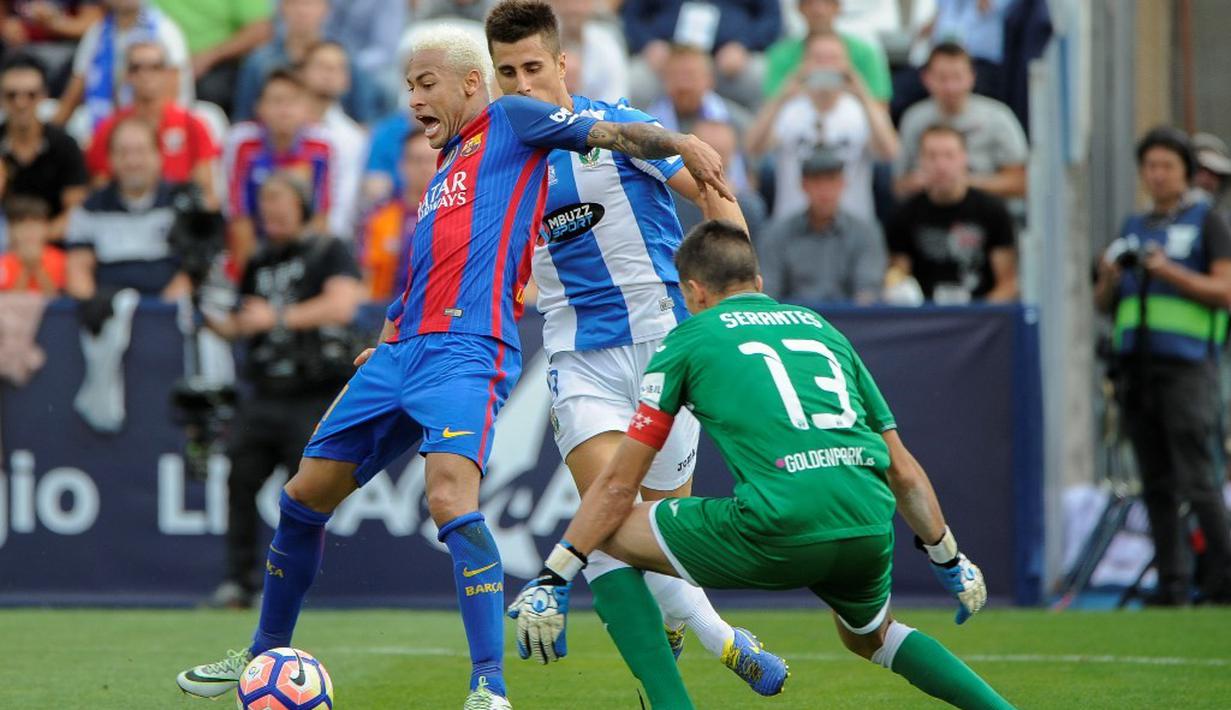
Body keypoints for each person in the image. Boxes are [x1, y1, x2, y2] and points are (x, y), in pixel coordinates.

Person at [176, 23, 734, 710]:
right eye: (408, 84)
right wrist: (382, 340)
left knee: (449, 498)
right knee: (302, 498)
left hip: (468, 350)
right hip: (399, 352)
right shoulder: (444, 167)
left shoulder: (511, 119)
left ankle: (488, 688)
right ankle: (261, 655)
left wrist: (676, 142)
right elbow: (419, 271)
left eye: (424, 83)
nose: (412, 98)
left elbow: (605, 133)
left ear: (471, 83)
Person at [507, 220, 1014, 710]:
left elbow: (618, 486)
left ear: (694, 291)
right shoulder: (822, 329)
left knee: (603, 530)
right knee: (873, 636)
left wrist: (555, 576)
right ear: (759, 282)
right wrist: (948, 556)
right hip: (866, 523)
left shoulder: (689, 336)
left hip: (780, 524)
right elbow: (902, 469)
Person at [485, 1, 786, 701]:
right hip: (577, 360)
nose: (523, 84)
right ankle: (718, 643)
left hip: (663, 351)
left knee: (654, 533)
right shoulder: (503, 158)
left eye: (534, 67)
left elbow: (713, 193)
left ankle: (692, 636)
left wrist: (737, 291)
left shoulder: (618, 131)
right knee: (609, 517)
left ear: (562, 64)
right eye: (507, 73)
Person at [204, 172, 364, 609]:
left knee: (308, 494)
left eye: (281, 202)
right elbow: (242, 322)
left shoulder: (329, 249)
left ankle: (302, 585)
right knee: (239, 479)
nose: (272, 212)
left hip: (313, 392)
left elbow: (342, 304)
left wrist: (275, 316)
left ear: (303, 208)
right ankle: (239, 581)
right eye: (266, 204)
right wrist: (207, 305)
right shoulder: (258, 260)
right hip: (264, 392)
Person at [1093, 127, 1231, 606]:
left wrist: (1167, 269)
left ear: (1185, 173)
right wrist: (1110, 275)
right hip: (1138, 369)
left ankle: (1223, 578)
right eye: (1149, 166)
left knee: (1199, 477)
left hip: (1189, 368)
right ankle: (1172, 585)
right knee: (1155, 481)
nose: (1157, 174)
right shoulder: (1132, 225)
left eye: (1167, 166)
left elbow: (1225, 290)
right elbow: (1104, 303)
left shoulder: (1208, 222)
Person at [746, 30, 898, 223]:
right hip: (792, 226)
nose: (826, 65)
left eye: (833, 58)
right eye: (818, 58)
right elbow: (752, 148)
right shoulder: (788, 111)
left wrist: (863, 93)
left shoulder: (860, 111)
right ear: (804, 63)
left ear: (847, 64)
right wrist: (782, 96)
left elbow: (890, 152)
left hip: (852, 228)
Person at [885, 125, 1017, 303]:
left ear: (964, 158)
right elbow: (899, 277)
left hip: (981, 314)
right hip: (924, 315)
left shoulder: (992, 210)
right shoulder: (905, 213)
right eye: (932, 156)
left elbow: (1007, 283)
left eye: (949, 155)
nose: (941, 165)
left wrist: (981, 316)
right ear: (920, 161)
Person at [64, 116, 191, 302]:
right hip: (109, 315)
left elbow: (194, 270)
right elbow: (78, 270)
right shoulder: (89, 209)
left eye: (141, 151)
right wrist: (95, 305)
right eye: (123, 152)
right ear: (110, 159)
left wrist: (160, 313)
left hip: (168, 314)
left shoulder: (183, 204)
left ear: (158, 155)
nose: (132, 161)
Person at [222, 68, 333, 270]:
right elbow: (240, 217)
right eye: (276, 101)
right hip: (256, 252)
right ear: (259, 108)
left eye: (292, 101)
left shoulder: (320, 149)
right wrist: (252, 275)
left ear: (307, 109)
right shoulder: (245, 147)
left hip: (302, 258)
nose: (284, 109)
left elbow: (319, 219)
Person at [85, 40, 220, 204]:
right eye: (136, 67)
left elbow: (206, 193)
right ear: (127, 75)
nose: (145, 74)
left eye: (155, 67)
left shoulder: (192, 125)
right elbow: (101, 191)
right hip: (126, 219)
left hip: (178, 216)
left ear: (168, 73)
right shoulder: (110, 128)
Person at [894, 43, 1028, 201]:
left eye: (957, 77)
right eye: (942, 78)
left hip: (988, 214)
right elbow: (898, 184)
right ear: (926, 78)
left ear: (972, 76)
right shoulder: (913, 118)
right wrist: (926, 181)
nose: (950, 87)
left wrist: (963, 183)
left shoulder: (998, 117)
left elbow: (1020, 181)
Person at [759, 144, 885, 304]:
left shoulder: (866, 233)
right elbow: (768, 295)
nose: (824, 190)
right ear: (804, 185)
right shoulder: (776, 234)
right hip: (794, 324)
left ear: (842, 184)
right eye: (817, 181)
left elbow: (868, 293)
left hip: (850, 325)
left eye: (831, 180)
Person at [232, 0, 381, 124]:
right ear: (282, 7)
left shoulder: (344, 60)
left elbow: (364, 120)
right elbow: (243, 118)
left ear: (326, 9)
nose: (302, 11)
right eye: (295, 3)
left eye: (310, 3)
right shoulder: (259, 62)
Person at [54, 0, 193, 129]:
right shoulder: (96, 33)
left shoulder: (165, 31)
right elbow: (73, 94)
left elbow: (171, 98)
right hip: (108, 129)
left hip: (157, 130)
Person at [621, 0, 781, 111]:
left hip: (724, 62)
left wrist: (744, 44)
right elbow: (632, 16)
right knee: (637, 80)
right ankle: (632, 152)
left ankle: (752, 154)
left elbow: (772, 19)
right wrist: (648, 43)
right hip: (669, 61)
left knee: (758, 76)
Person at [0, 54, 89, 242]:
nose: (21, 103)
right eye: (11, 95)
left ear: (43, 96)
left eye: (30, 95)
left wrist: (36, 240)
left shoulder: (65, 145)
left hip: (52, 245)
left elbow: (76, 211)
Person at [151, 0, 275, 115]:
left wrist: (207, 58)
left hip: (219, 65)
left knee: (213, 92)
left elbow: (260, 30)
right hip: (159, 60)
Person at [298, 40, 365, 240]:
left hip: (327, 242)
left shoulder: (353, 138)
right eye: (321, 65)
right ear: (301, 73)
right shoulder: (282, 123)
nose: (329, 73)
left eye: (337, 68)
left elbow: (346, 202)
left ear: (347, 80)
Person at [358, 128, 436, 302]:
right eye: (417, 160)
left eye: (432, 160)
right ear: (402, 165)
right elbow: (365, 276)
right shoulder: (379, 217)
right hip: (381, 310)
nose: (424, 168)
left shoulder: (456, 215)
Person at [764, 0, 891, 103]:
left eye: (827, 2)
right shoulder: (780, 54)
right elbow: (767, 116)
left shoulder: (866, 53)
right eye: (810, 2)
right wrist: (796, 81)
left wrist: (852, 81)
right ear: (799, 8)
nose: (818, 10)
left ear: (838, 7)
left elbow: (882, 110)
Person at [675, 119, 766, 238]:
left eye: (720, 153)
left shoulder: (749, 206)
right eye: (704, 153)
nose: (710, 161)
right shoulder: (672, 197)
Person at [1, 0, 104, 94]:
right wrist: (5, 25)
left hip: (65, 51)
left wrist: (54, 23)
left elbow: (92, 26)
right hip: (19, 48)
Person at [549, 0, 627, 104]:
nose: (573, 9)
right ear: (555, 4)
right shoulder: (542, 41)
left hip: (598, 117)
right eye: (566, 2)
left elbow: (616, 100)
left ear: (590, 4)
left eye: (580, 2)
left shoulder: (607, 45)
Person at [0, 195, 66, 295]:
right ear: (10, 230)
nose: (29, 230)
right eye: (22, 224)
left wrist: (37, 267)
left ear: (46, 227)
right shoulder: (4, 262)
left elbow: (56, 298)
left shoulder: (60, 259)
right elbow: (8, 301)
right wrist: (26, 270)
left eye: (35, 224)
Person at [1192, 132, 1231, 216]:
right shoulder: (1163, 217)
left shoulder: (1223, 221)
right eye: (1200, 170)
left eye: (1215, 174)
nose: (1206, 179)